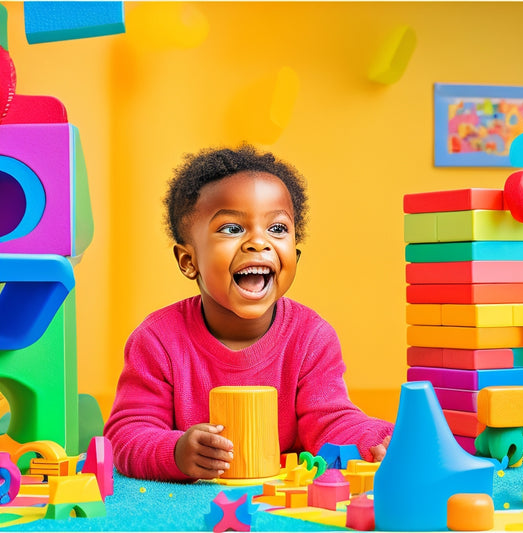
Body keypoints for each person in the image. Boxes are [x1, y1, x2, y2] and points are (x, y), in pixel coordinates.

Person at [104, 144, 394, 482]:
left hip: (278, 503)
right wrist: (177, 451)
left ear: (295, 255)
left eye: (277, 228)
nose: (259, 242)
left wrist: (379, 439)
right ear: (188, 261)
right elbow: (127, 435)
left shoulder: (311, 337)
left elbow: (330, 421)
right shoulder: (157, 341)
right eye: (231, 228)